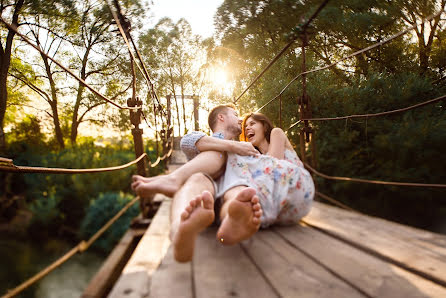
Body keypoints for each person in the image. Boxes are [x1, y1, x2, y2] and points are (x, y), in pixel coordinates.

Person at [132, 104, 263, 262]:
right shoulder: (207, 144)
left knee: (237, 194)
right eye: (235, 114)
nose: (241, 119)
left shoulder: (248, 147)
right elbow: (187, 142)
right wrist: (233, 146)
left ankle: (232, 222)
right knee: (196, 179)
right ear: (221, 117)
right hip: (203, 200)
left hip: (233, 195)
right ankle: (179, 231)